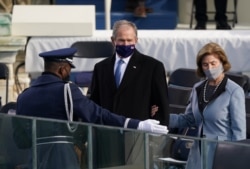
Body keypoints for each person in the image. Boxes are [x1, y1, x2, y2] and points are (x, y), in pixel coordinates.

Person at [15, 47, 168, 169]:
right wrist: (136, 124)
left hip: (34, 159)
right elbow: (97, 115)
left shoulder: (24, 96)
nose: (69, 72)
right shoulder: (67, 90)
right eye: (69, 68)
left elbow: (20, 140)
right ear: (62, 70)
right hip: (63, 158)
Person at [90, 19, 169, 167]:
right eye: (121, 40)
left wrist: (156, 140)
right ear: (113, 41)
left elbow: (161, 105)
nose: (125, 44)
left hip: (138, 139)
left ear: (136, 40)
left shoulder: (152, 67)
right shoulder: (101, 68)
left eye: (129, 40)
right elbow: (94, 103)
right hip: (108, 137)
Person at [169, 42, 246, 169]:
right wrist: (162, 118)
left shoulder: (234, 91)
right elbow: (189, 119)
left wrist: (236, 159)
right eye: (205, 64)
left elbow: (239, 131)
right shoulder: (197, 88)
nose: (209, 68)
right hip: (198, 152)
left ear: (222, 63)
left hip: (222, 153)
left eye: (213, 63)